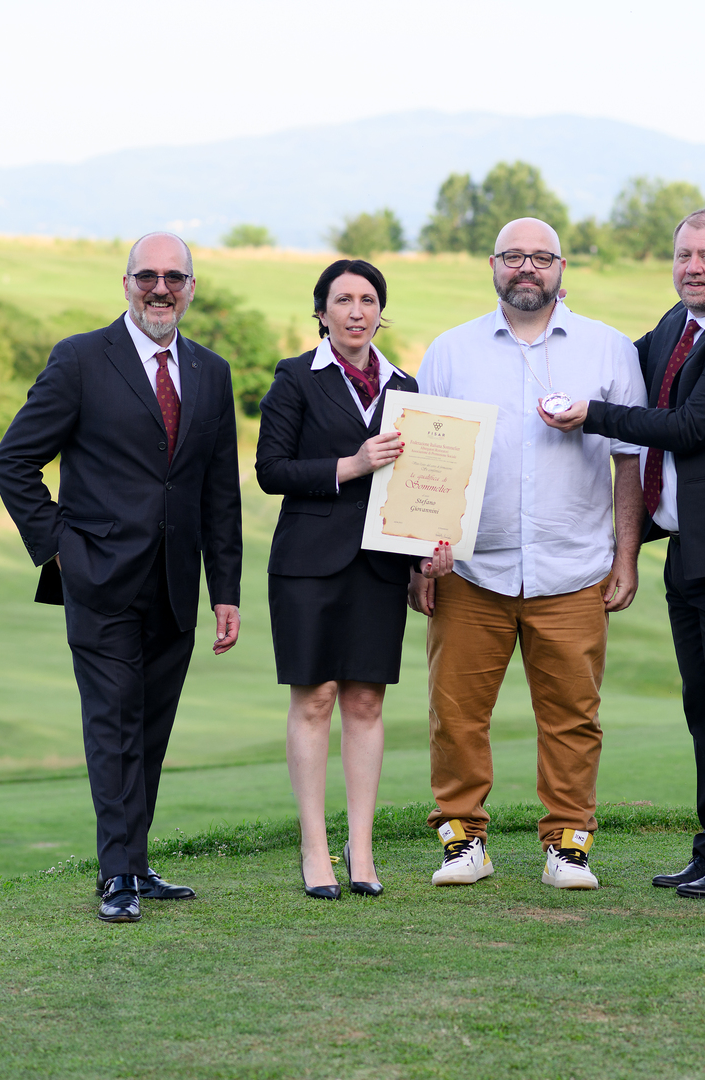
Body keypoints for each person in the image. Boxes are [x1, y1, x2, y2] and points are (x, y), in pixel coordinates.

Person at [0, 232, 243, 923]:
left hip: (176, 585)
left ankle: (135, 861)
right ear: (126, 283)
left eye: (174, 277)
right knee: (113, 727)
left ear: (191, 288)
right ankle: (116, 875)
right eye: (148, 276)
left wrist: (225, 591)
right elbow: (14, 461)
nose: (161, 288)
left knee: (151, 729)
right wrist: (59, 549)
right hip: (98, 580)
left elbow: (219, 492)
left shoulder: (211, 371)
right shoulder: (80, 359)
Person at [543, 209, 705, 899]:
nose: (693, 268)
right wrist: (563, 321)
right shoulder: (680, 323)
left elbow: (688, 426)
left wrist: (590, 413)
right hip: (691, 552)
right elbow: (623, 358)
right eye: (684, 255)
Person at [411, 217, 647, 890]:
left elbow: (629, 461)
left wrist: (626, 557)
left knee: (573, 718)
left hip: (573, 567)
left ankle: (567, 845)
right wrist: (417, 559)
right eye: (513, 256)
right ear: (493, 265)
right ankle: (463, 841)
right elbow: (423, 460)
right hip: (470, 569)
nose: (526, 268)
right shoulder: (451, 351)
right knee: (456, 715)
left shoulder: (607, 348)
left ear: (561, 269)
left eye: (541, 258)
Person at [254, 259, 452, 900]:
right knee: (315, 699)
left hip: (379, 565)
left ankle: (360, 850)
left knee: (366, 702)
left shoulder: (407, 387)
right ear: (322, 312)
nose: (357, 311)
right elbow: (271, 469)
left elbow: (420, 486)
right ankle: (315, 851)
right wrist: (352, 464)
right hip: (308, 563)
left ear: (380, 312)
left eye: (368, 300)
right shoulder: (294, 377)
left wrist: (426, 553)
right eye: (343, 300)